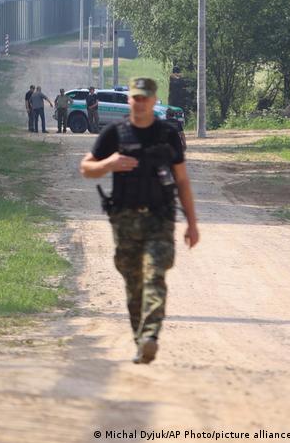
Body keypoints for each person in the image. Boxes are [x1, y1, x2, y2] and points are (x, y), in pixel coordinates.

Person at [80, 77, 199, 365]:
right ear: (130, 100)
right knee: (134, 285)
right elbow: (86, 168)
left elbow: (182, 180)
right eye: (137, 97)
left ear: (154, 99)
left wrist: (192, 223)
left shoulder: (167, 135)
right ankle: (140, 340)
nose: (141, 102)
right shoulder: (115, 133)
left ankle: (151, 336)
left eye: (146, 97)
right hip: (125, 220)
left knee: (154, 275)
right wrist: (108, 164)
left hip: (160, 219)